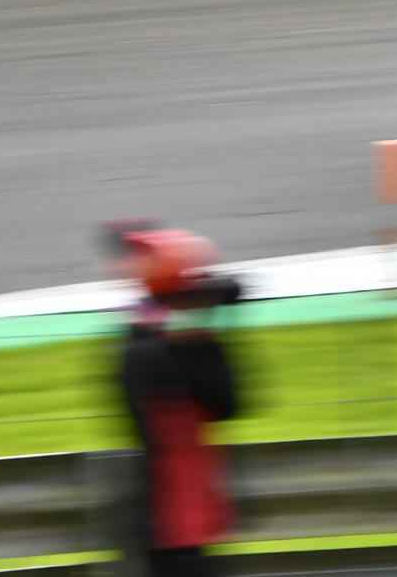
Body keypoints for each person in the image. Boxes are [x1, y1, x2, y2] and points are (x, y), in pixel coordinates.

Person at [104, 224, 244, 577]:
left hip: (170, 511)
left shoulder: (141, 337)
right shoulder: (172, 345)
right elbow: (226, 402)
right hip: (179, 513)